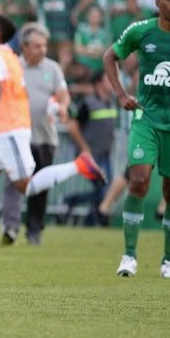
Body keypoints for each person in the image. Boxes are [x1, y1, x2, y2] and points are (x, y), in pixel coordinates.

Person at [0, 16, 106, 251]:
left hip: (9, 127)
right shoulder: (10, 57)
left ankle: (78, 166)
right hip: (5, 127)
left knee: (24, 187)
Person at [102, 0, 170, 278]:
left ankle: (168, 260)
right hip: (146, 119)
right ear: (158, 2)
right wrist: (120, 95)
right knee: (139, 180)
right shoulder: (141, 30)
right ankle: (129, 255)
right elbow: (110, 57)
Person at [0, 23, 70, 246]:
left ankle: (34, 230)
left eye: (45, 45)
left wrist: (63, 107)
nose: (43, 50)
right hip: (18, 136)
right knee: (14, 181)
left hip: (45, 137)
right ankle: (10, 226)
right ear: (25, 46)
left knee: (41, 186)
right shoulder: (13, 68)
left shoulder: (53, 69)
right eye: (37, 46)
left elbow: (63, 95)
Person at [62, 71, 117, 226]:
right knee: (104, 191)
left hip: (105, 154)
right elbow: (73, 126)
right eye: (109, 80)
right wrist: (85, 148)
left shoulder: (111, 102)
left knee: (106, 191)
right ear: (99, 83)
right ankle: (72, 203)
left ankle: (83, 213)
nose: (113, 83)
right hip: (91, 156)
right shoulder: (88, 103)